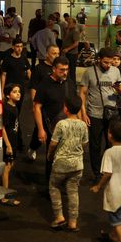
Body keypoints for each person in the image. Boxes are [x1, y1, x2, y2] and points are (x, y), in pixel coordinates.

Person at [80, 47, 121, 184]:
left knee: (111, 144)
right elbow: (82, 93)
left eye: (111, 63)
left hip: (111, 113)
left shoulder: (116, 71)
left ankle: (106, 168)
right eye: (105, 62)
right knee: (95, 145)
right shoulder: (89, 72)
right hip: (94, 114)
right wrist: (83, 113)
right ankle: (97, 173)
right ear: (99, 59)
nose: (108, 65)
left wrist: (120, 89)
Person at [47, 95, 88, 231]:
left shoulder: (61, 124)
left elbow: (53, 144)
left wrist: (49, 155)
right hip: (77, 165)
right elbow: (85, 144)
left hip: (61, 164)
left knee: (54, 186)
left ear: (65, 108)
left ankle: (59, 216)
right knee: (73, 192)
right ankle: (73, 223)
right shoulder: (83, 125)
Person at [33, 57, 70, 184]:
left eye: (66, 70)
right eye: (61, 70)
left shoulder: (66, 81)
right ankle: (50, 185)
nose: (65, 73)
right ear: (54, 69)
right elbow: (37, 107)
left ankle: (62, 183)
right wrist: (40, 129)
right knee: (51, 158)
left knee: (65, 157)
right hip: (51, 129)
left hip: (66, 127)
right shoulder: (44, 84)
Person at [28, 45, 60, 161]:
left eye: (58, 53)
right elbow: (33, 88)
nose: (56, 56)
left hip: (54, 107)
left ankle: (51, 156)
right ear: (47, 54)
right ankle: (32, 147)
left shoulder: (59, 69)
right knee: (40, 130)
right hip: (41, 106)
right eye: (53, 53)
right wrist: (34, 104)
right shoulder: (39, 69)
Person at [0, 38, 31, 153]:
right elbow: (3, 75)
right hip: (10, 93)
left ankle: (18, 141)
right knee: (10, 116)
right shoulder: (7, 60)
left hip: (20, 92)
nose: (19, 48)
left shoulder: (23, 58)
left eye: (21, 46)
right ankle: (14, 141)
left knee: (17, 115)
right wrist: (2, 90)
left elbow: (28, 72)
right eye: (17, 46)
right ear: (13, 47)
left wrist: (33, 86)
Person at [0, 83, 22, 207]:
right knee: (6, 168)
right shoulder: (7, 109)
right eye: (14, 92)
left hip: (13, 141)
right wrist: (8, 145)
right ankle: (4, 196)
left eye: (18, 91)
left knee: (10, 166)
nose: (18, 93)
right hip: (8, 142)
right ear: (8, 95)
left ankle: (3, 190)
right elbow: (3, 127)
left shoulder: (15, 107)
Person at [62, 17, 81, 83]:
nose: (68, 24)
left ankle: (73, 85)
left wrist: (67, 49)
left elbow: (76, 43)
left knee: (72, 70)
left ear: (74, 23)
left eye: (70, 23)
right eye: (67, 22)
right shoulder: (69, 30)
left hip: (72, 54)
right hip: (67, 53)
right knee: (67, 69)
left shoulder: (75, 31)